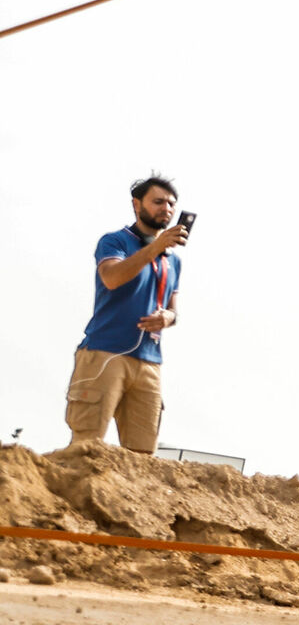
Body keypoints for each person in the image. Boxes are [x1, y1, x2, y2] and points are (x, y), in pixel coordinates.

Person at [68, 174, 189, 453]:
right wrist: (155, 247)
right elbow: (111, 278)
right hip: (105, 353)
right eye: (158, 202)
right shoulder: (115, 241)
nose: (166, 209)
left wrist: (168, 318)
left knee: (143, 457)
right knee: (86, 446)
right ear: (137, 204)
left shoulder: (174, 261)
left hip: (150, 362)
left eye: (171, 204)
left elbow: (174, 310)